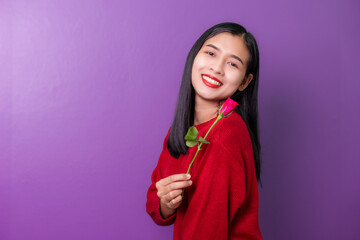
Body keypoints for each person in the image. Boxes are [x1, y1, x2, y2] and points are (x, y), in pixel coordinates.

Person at [146, 22, 263, 239]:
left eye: (232, 64)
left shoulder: (226, 134)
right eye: (210, 53)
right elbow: (157, 204)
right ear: (195, 55)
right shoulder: (181, 128)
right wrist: (166, 202)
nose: (217, 68)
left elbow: (206, 230)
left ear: (244, 82)